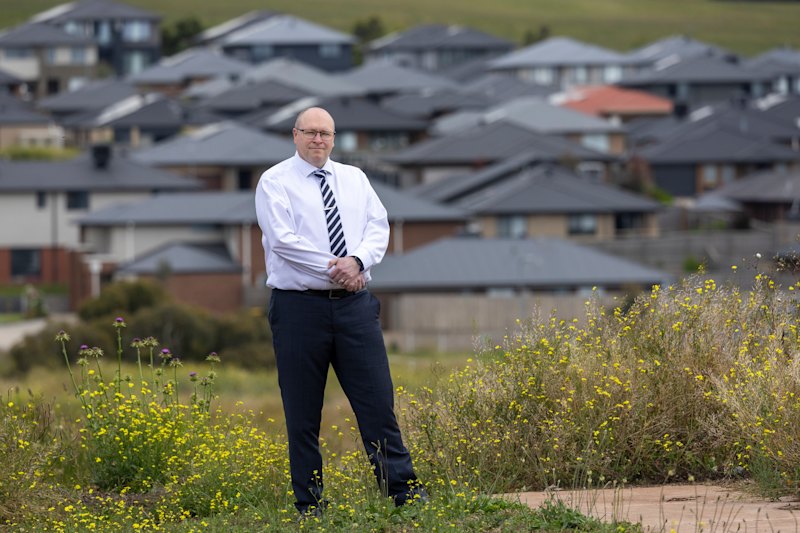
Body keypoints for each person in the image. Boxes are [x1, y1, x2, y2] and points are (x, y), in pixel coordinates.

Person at [254, 107, 425, 516]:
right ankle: (310, 506)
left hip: (355, 310)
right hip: (299, 310)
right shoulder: (274, 181)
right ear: (295, 135)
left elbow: (378, 226)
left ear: (334, 138)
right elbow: (284, 242)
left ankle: (404, 496)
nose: (318, 140)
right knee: (302, 413)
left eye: (325, 133)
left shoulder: (355, 179)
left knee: (378, 405)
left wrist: (358, 262)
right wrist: (340, 268)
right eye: (310, 132)